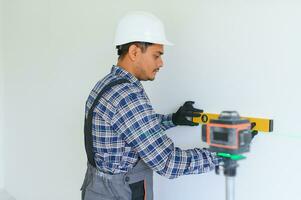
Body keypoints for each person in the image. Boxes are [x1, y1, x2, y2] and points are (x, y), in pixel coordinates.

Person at [81, 11, 221, 200]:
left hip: (97, 190)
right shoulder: (127, 96)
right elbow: (168, 162)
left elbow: (131, 129)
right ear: (134, 52)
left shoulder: (106, 84)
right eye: (157, 55)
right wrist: (221, 154)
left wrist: (173, 119)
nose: (161, 63)